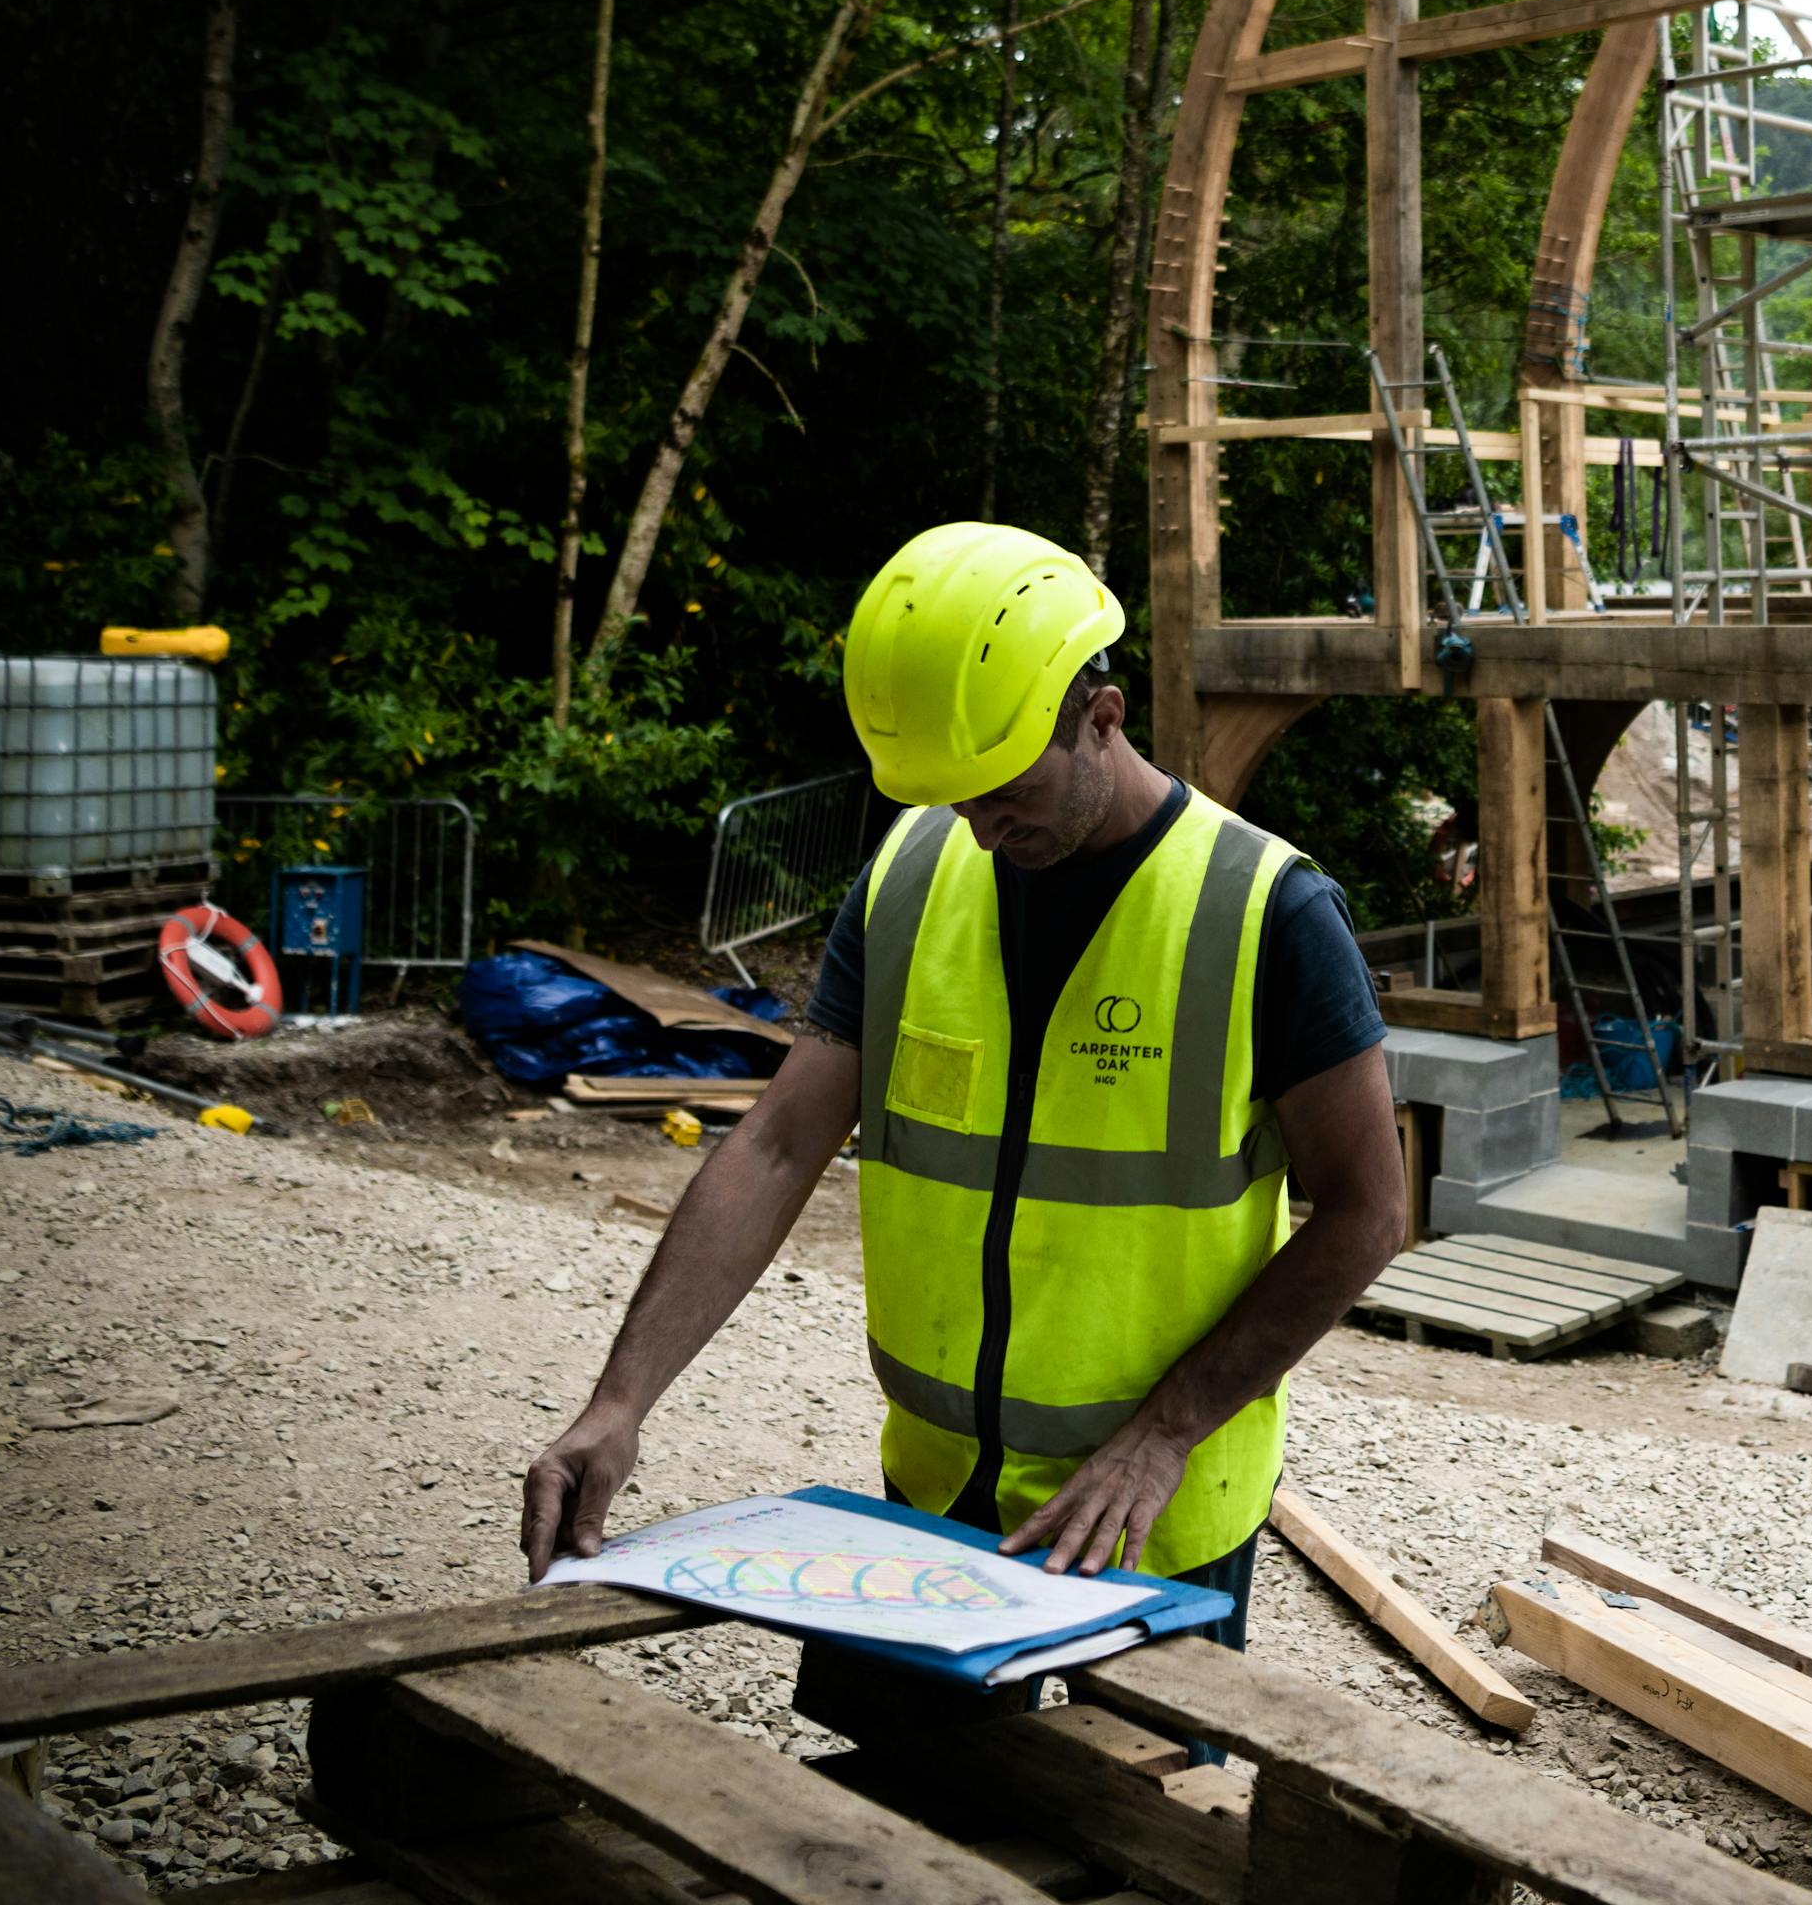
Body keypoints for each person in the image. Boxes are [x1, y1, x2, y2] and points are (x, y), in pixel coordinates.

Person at [521, 524, 1407, 1673]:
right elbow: (780, 1145)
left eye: (1007, 790)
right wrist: (620, 1400)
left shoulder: (1268, 912)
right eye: (954, 798)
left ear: (1104, 712)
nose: (983, 828)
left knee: (1131, 1834)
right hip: (928, 1502)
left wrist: (1167, 1432)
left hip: (1153, 1514)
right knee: (890, 1829)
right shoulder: (907, 880)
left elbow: (1366, 1212)